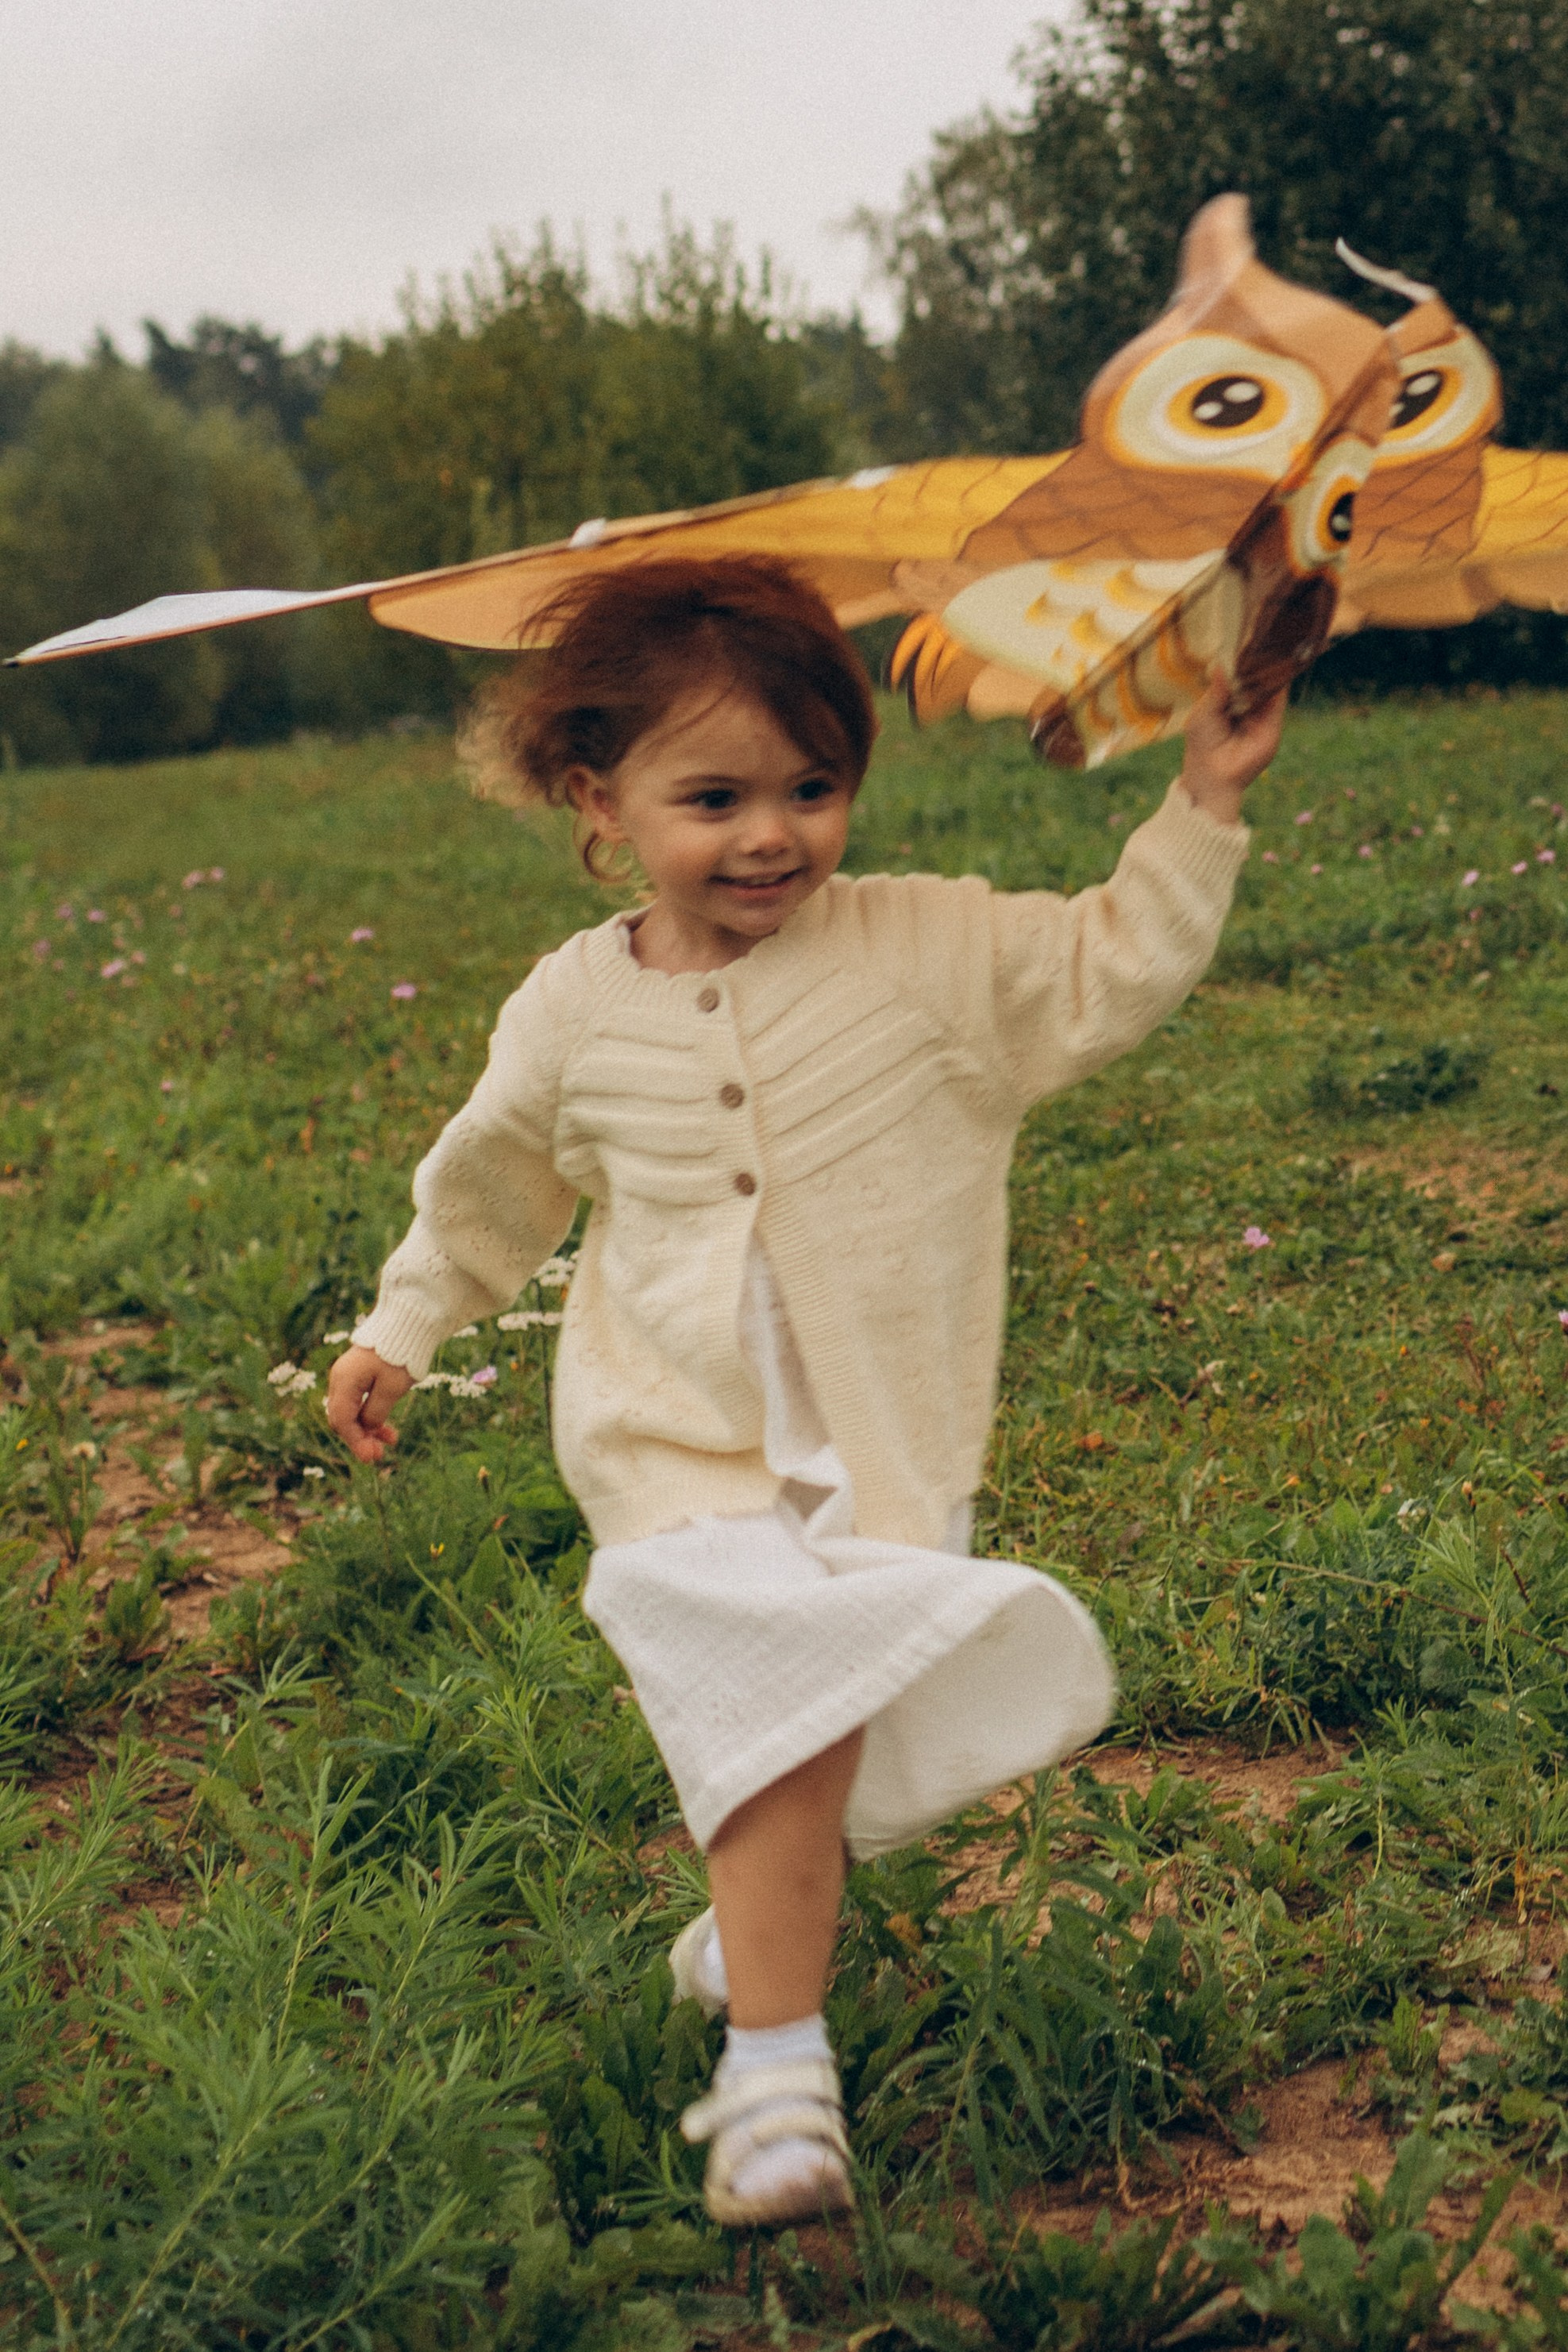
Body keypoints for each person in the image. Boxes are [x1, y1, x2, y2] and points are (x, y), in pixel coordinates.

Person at [326, 555, 1281, 2227]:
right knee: (778, 1709)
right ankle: (777, 2069)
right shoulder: (569, 1007)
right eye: (713, 796)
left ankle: (752, 1913)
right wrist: (406, 1318)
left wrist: (1203, 799)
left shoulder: (923, 946)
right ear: (594, 795)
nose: (770, 834)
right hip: (668, 1450)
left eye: (811, 787)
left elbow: (1104, 965)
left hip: (875, 1442)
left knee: (815, 1735)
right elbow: (492, 1180)